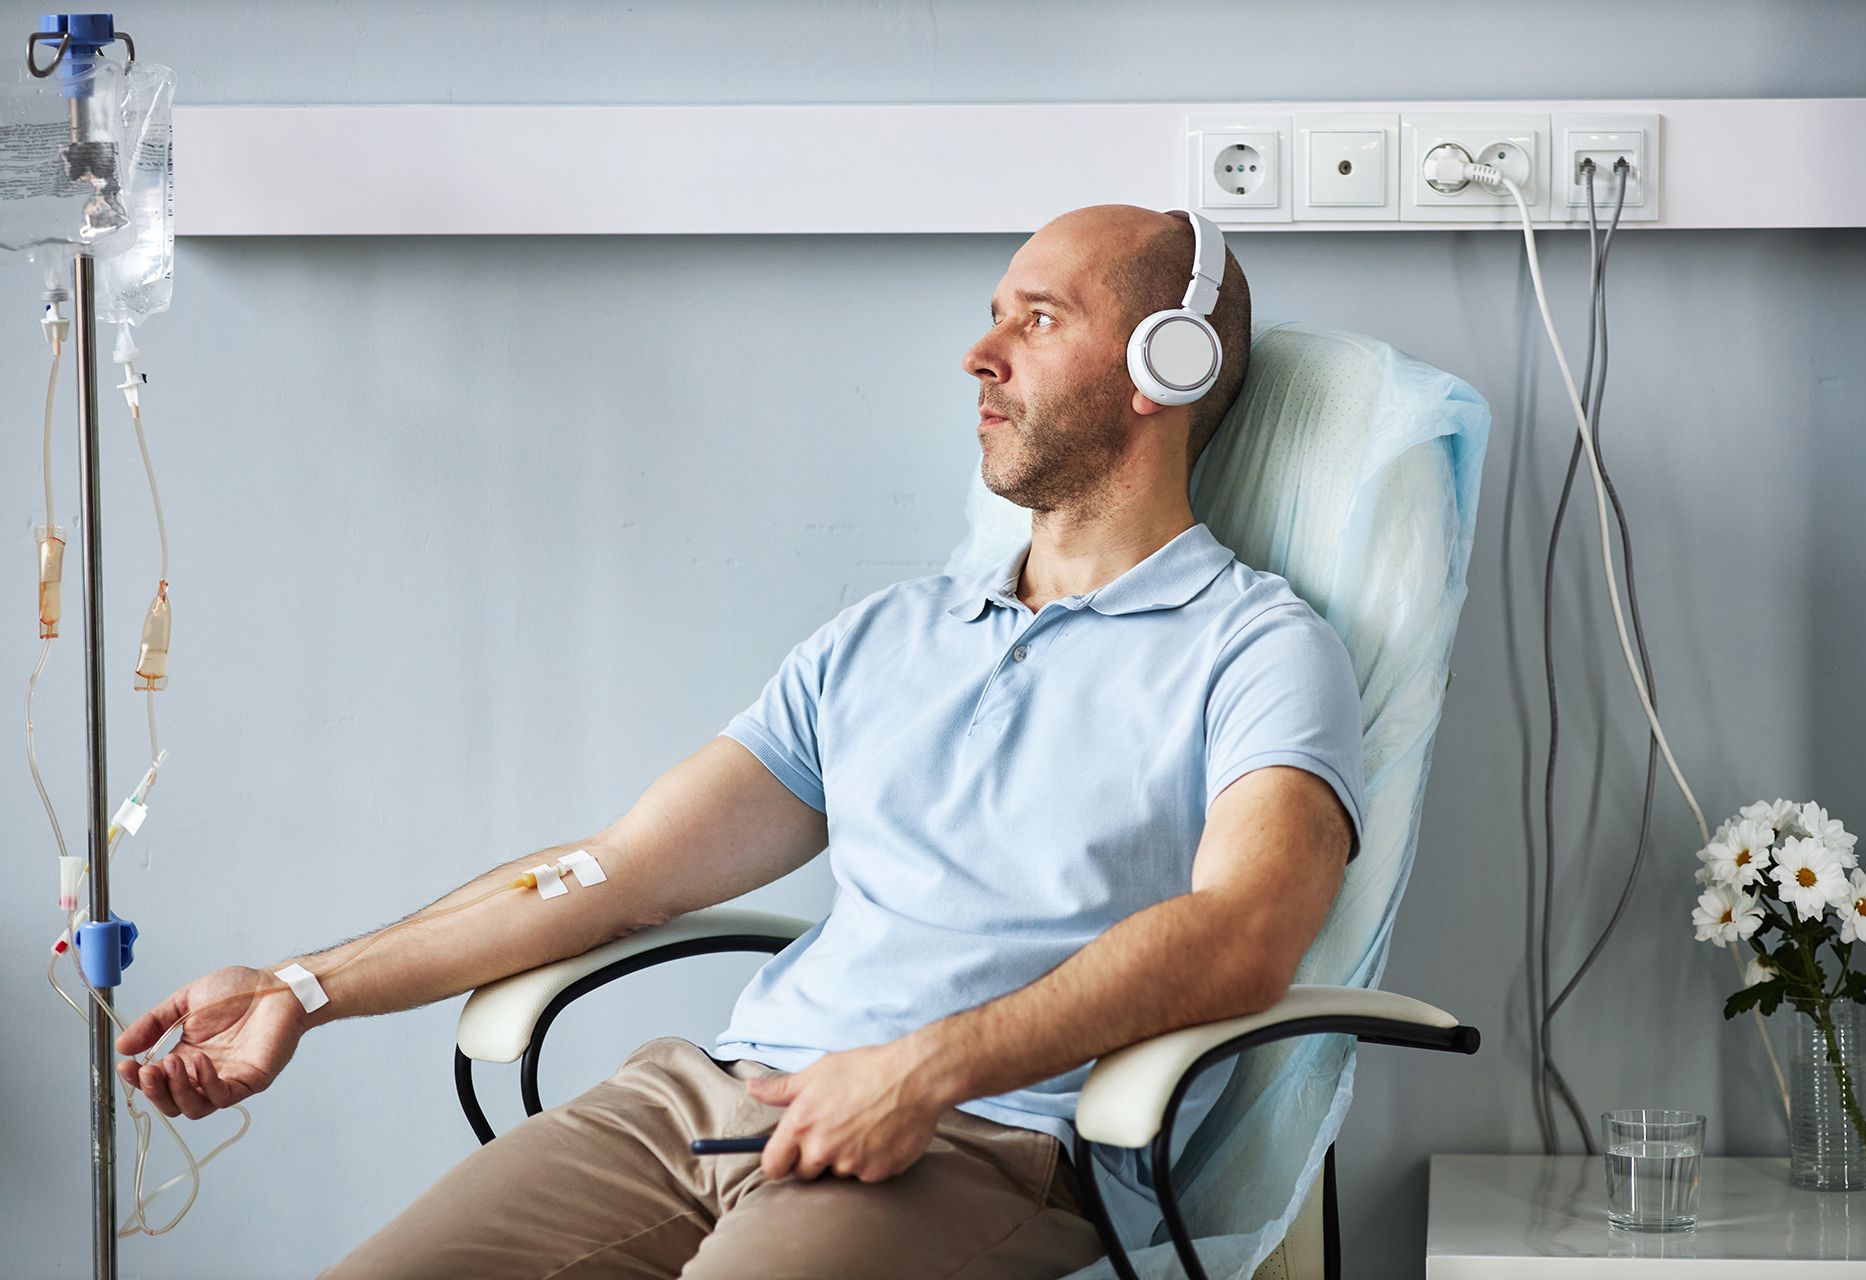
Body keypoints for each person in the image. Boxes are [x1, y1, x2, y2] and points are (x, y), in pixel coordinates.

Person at [114, 203, 1364, 1279]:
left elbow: (1245, 929)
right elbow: (617, 869)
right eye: (994, 315)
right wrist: (304, 987)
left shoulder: (1256, 647)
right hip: (706, 1098)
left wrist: (920, 1071)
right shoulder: (887, 635)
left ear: (1170, 363)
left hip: (981, 1137)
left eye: (1036, 319)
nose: (978, 354)